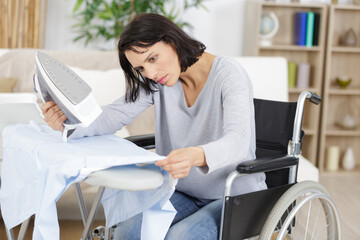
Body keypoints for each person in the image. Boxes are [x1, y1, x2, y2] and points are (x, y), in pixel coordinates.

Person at [41, 13, 266, 240]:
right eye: (140, 68)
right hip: (183, 192)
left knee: (179, 237)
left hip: (232, 197)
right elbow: (114, 115)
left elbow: (238, 141)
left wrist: (194, 156)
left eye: (152, 58)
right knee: (125, 233)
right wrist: (67, 122)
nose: (149, 73)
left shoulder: (229, 74)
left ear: (172, 41)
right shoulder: (158, 82)